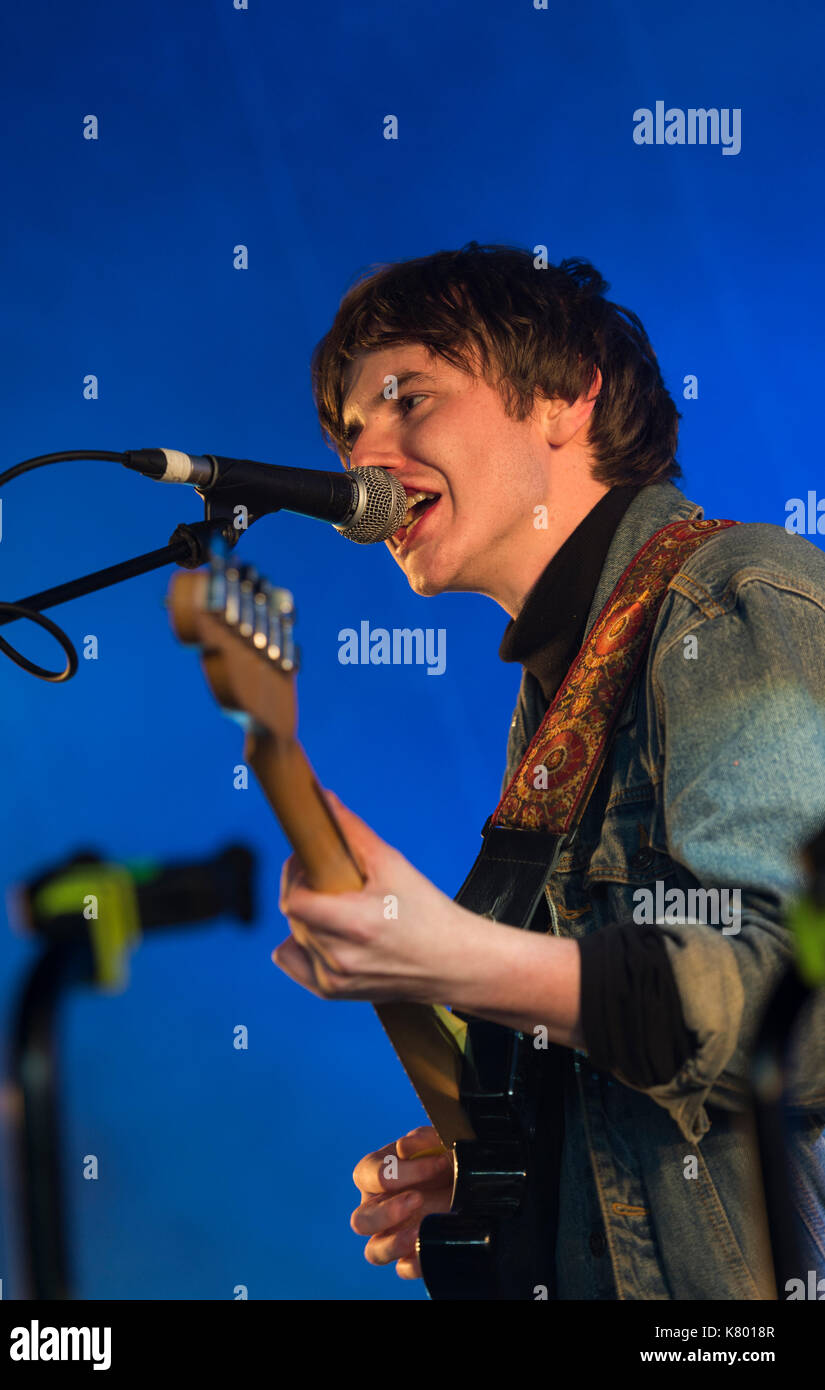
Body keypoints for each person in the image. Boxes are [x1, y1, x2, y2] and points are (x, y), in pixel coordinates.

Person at [273, 242, 825, 1298]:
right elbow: (653, 1079)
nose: (364, 461)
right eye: (351, 434)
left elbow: (797, 1004)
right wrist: (527, 1177)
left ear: (567, 394)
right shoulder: (564, 686)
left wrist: (458, 958)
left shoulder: (728, 596)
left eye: (408, 400)